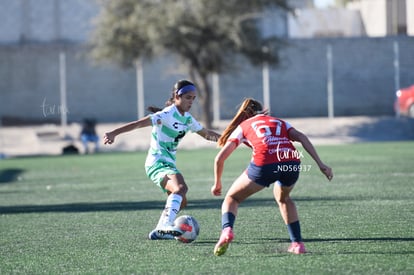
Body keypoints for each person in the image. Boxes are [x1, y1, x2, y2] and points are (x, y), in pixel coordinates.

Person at [211, 98, 333, 256]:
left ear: (245, 114)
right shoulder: (279, 122)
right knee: (284, 199)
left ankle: (227, 231)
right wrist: (321, 164)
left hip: (265, 164)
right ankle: (297, 244)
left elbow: (219, 158)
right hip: (291, 162)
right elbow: (302, 137)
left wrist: (217, 183)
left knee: (232, 199)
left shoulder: (244, 125)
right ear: (263, 111)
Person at [103, 80, 221, 240]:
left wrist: (230, 139)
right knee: (180, 187)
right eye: (188, 97)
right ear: (176, 96)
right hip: (156, 162)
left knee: (182, 201)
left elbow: (207, 134)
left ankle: (160, 230)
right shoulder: (165, 115)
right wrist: (114, 133)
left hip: (168, 163)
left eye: (193, 98)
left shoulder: (187, 119)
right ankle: (164, 225)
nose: (191, 101)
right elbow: (138, 124)